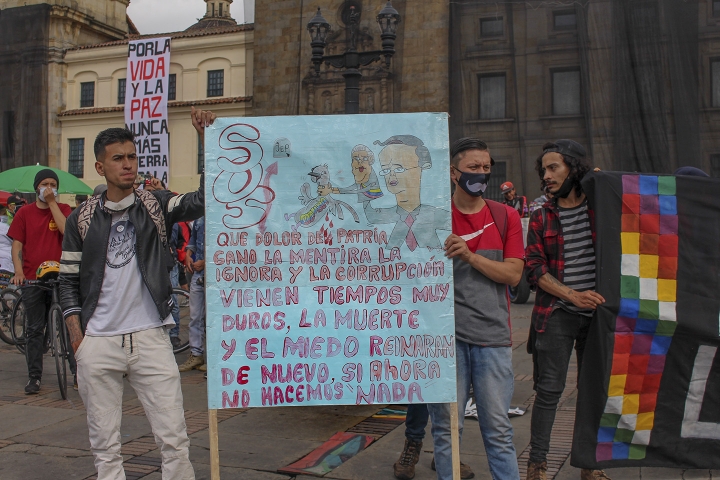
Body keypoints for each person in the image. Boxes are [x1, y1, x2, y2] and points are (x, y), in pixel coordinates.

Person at [58, 107, 215, 479]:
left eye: (131, 157)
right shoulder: (80, 218)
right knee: (105, 444)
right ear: (101, 167)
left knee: (174, 437)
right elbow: (66, 281)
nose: (128, 165)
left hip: (150, 337)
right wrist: (79, 338)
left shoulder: (155, 205)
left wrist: (205, 142)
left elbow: (204, 198)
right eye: (118, 159)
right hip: (98, 341)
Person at [426, 137, 524, 480]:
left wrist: (468, 255)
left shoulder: (505, 216)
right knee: (446, 429)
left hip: (492, 338)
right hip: (444, 342)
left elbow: (513, 274)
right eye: (473, 168)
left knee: (497, 430)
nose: (480, 174)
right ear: (454, 173)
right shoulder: (434, 216)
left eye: (486, 168)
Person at [524, 140, 609, 480]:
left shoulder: (600, 207)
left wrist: (607, 184)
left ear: (574, 168)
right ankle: (537, 465)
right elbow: (534, 269)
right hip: (558, 313)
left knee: (593, 392)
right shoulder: (541, 215)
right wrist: (573, 296)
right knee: (549, 392)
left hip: (600, 315)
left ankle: (590, 464)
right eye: (543, 170)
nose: (546, 175)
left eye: (553, 167)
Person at [8, 169, 75, 394]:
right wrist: (18, 271)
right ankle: (34, 377)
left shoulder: (63, 209)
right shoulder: (24, 213)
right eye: (44, 183)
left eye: (53, 183)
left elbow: (67, 231)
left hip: (61, 276)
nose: (48, 187)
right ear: (36, 186)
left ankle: (77, 374)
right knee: (35, 328)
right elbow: (17, 244)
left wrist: (52, 203)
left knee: (69, 325)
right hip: (32, 278)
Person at [363, 135, 448, 250]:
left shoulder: (439, 216)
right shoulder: (380, 216)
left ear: (423, 166)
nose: (391, 175)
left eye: (399, 169)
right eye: (386, 170)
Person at [178, 216, 206, 373]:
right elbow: (193, 241)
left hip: (213, 273)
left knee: (212, 318)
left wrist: (206, 261)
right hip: (198, 273)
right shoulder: (200, 219)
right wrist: (188, 254)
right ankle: (196, 353)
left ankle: (211, 356)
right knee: (195, 316)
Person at [319, 144, 383, 204]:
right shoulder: (362, 179)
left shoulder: (371, 182)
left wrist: (331, 191)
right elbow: (351, 188)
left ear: (370, 160)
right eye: (356, 158)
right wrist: (331, 189)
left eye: (364, 158)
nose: (360, 162)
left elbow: (355, 191)